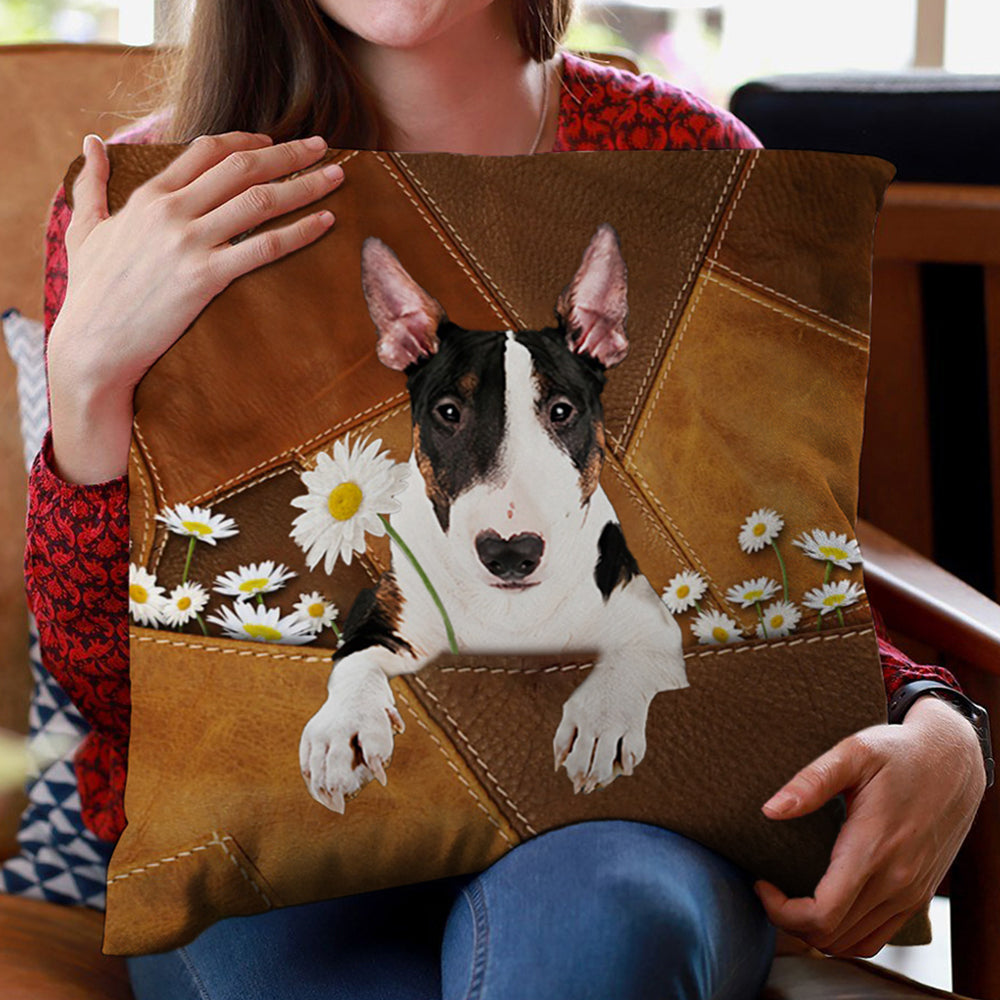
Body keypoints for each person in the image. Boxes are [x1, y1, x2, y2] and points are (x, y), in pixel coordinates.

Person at [24, 1, 988, 997]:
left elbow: (749, 558)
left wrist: (935, 714)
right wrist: (90, 383)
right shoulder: (155, 206)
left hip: (614, 821)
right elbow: (107, 682)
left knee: (600, 926)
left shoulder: (690, 168)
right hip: (277, 820)